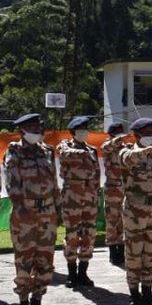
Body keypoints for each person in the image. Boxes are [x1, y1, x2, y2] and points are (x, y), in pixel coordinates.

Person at [4, 113, 60, 305]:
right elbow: (12, 181)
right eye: (32, 128)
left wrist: (58, 210)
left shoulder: (47, 151)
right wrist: (20, 207)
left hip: (47, 213)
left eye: (38, 127)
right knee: (24, 260)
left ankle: (37, 303)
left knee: (45, 260)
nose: (37, 131)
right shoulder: (14, 151)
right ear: (22, 131)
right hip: (25, 213)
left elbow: (54, 183)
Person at [119, 117, 152, 305]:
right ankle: (134, 294)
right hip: (135, 212)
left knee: (150, 253)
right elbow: (127, 160)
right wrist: (144, 151)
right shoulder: (127, 151)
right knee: (134, 253)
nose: (151, 136)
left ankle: (147, 291)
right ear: (137, 134)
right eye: (146, 133)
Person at [58, 116, 99, 288]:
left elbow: (96, 173)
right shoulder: (65, 146)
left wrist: (95, 193)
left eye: (85, 129)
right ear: (73, 132)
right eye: (81, 129)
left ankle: (83, 272)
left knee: (89, 234)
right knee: (72, 234)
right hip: (72, 195)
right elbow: (65, 154)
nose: (84, 132)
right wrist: (83, 153)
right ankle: (71, 273)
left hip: (90, 196)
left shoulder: (92, 150)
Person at [101, 121, 129, 266]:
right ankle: (113, 252)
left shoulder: (126, 148)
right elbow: (106, 147)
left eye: (121, 131)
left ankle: (122, 250)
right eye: (117, 132)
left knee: (124, 220)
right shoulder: (108, 146)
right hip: (112, 188)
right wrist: (117, 140)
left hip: (125, 187)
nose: (120, 135)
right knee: (112, 220)